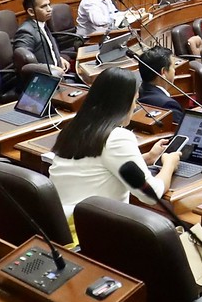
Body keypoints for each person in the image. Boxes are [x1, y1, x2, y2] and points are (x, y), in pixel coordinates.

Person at [47, 68, 185, 222]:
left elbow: (97, 164)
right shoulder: (118, 137)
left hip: (65, 222)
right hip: (91, 227)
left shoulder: (73, 128)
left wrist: (148, 157)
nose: (135, 107)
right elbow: (150, 194)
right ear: (123, 103)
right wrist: (169, 164)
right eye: (135, 100)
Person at [12, 0, 70, 75]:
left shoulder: (42, 23)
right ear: (31, 12)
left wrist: (59, 58)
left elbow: (48, 49)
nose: (49, 9)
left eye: (49, 5)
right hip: (46, 78)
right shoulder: (26, 31)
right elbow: (25, 62)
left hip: (57, 73)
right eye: (44, 6)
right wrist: (52, 68)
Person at [135, 47, 181, 114]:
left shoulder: (136, 94)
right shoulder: (169, 105)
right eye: (173, 67)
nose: (174, 71)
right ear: (163, 72)